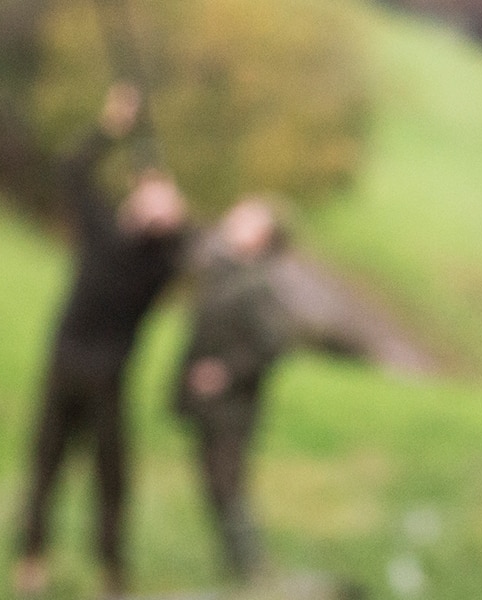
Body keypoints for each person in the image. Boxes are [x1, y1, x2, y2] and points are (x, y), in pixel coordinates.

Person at [176, 197, 434, 582]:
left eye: (247, 219)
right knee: (216, 486)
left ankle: (252, 571)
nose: (234, 219)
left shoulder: (258, 284)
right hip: (209, 405)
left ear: (262, 237)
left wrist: (226, 372)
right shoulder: (226, 270)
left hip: (233, 408)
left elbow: (274, 344)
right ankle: (239, 571)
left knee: (228, 485)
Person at [14, 83, 188, 598]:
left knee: (111, 482)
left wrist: (172, 211)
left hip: (109, 378)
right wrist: (110, 128)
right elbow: (70, 171)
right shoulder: (100, 232)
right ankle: (30, 561)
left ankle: (112, 575)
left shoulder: (160, 263)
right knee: (45, 468)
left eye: (159, 203)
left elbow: (186, 246)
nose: (148, 204)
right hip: (64, 367)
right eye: (144, 197)